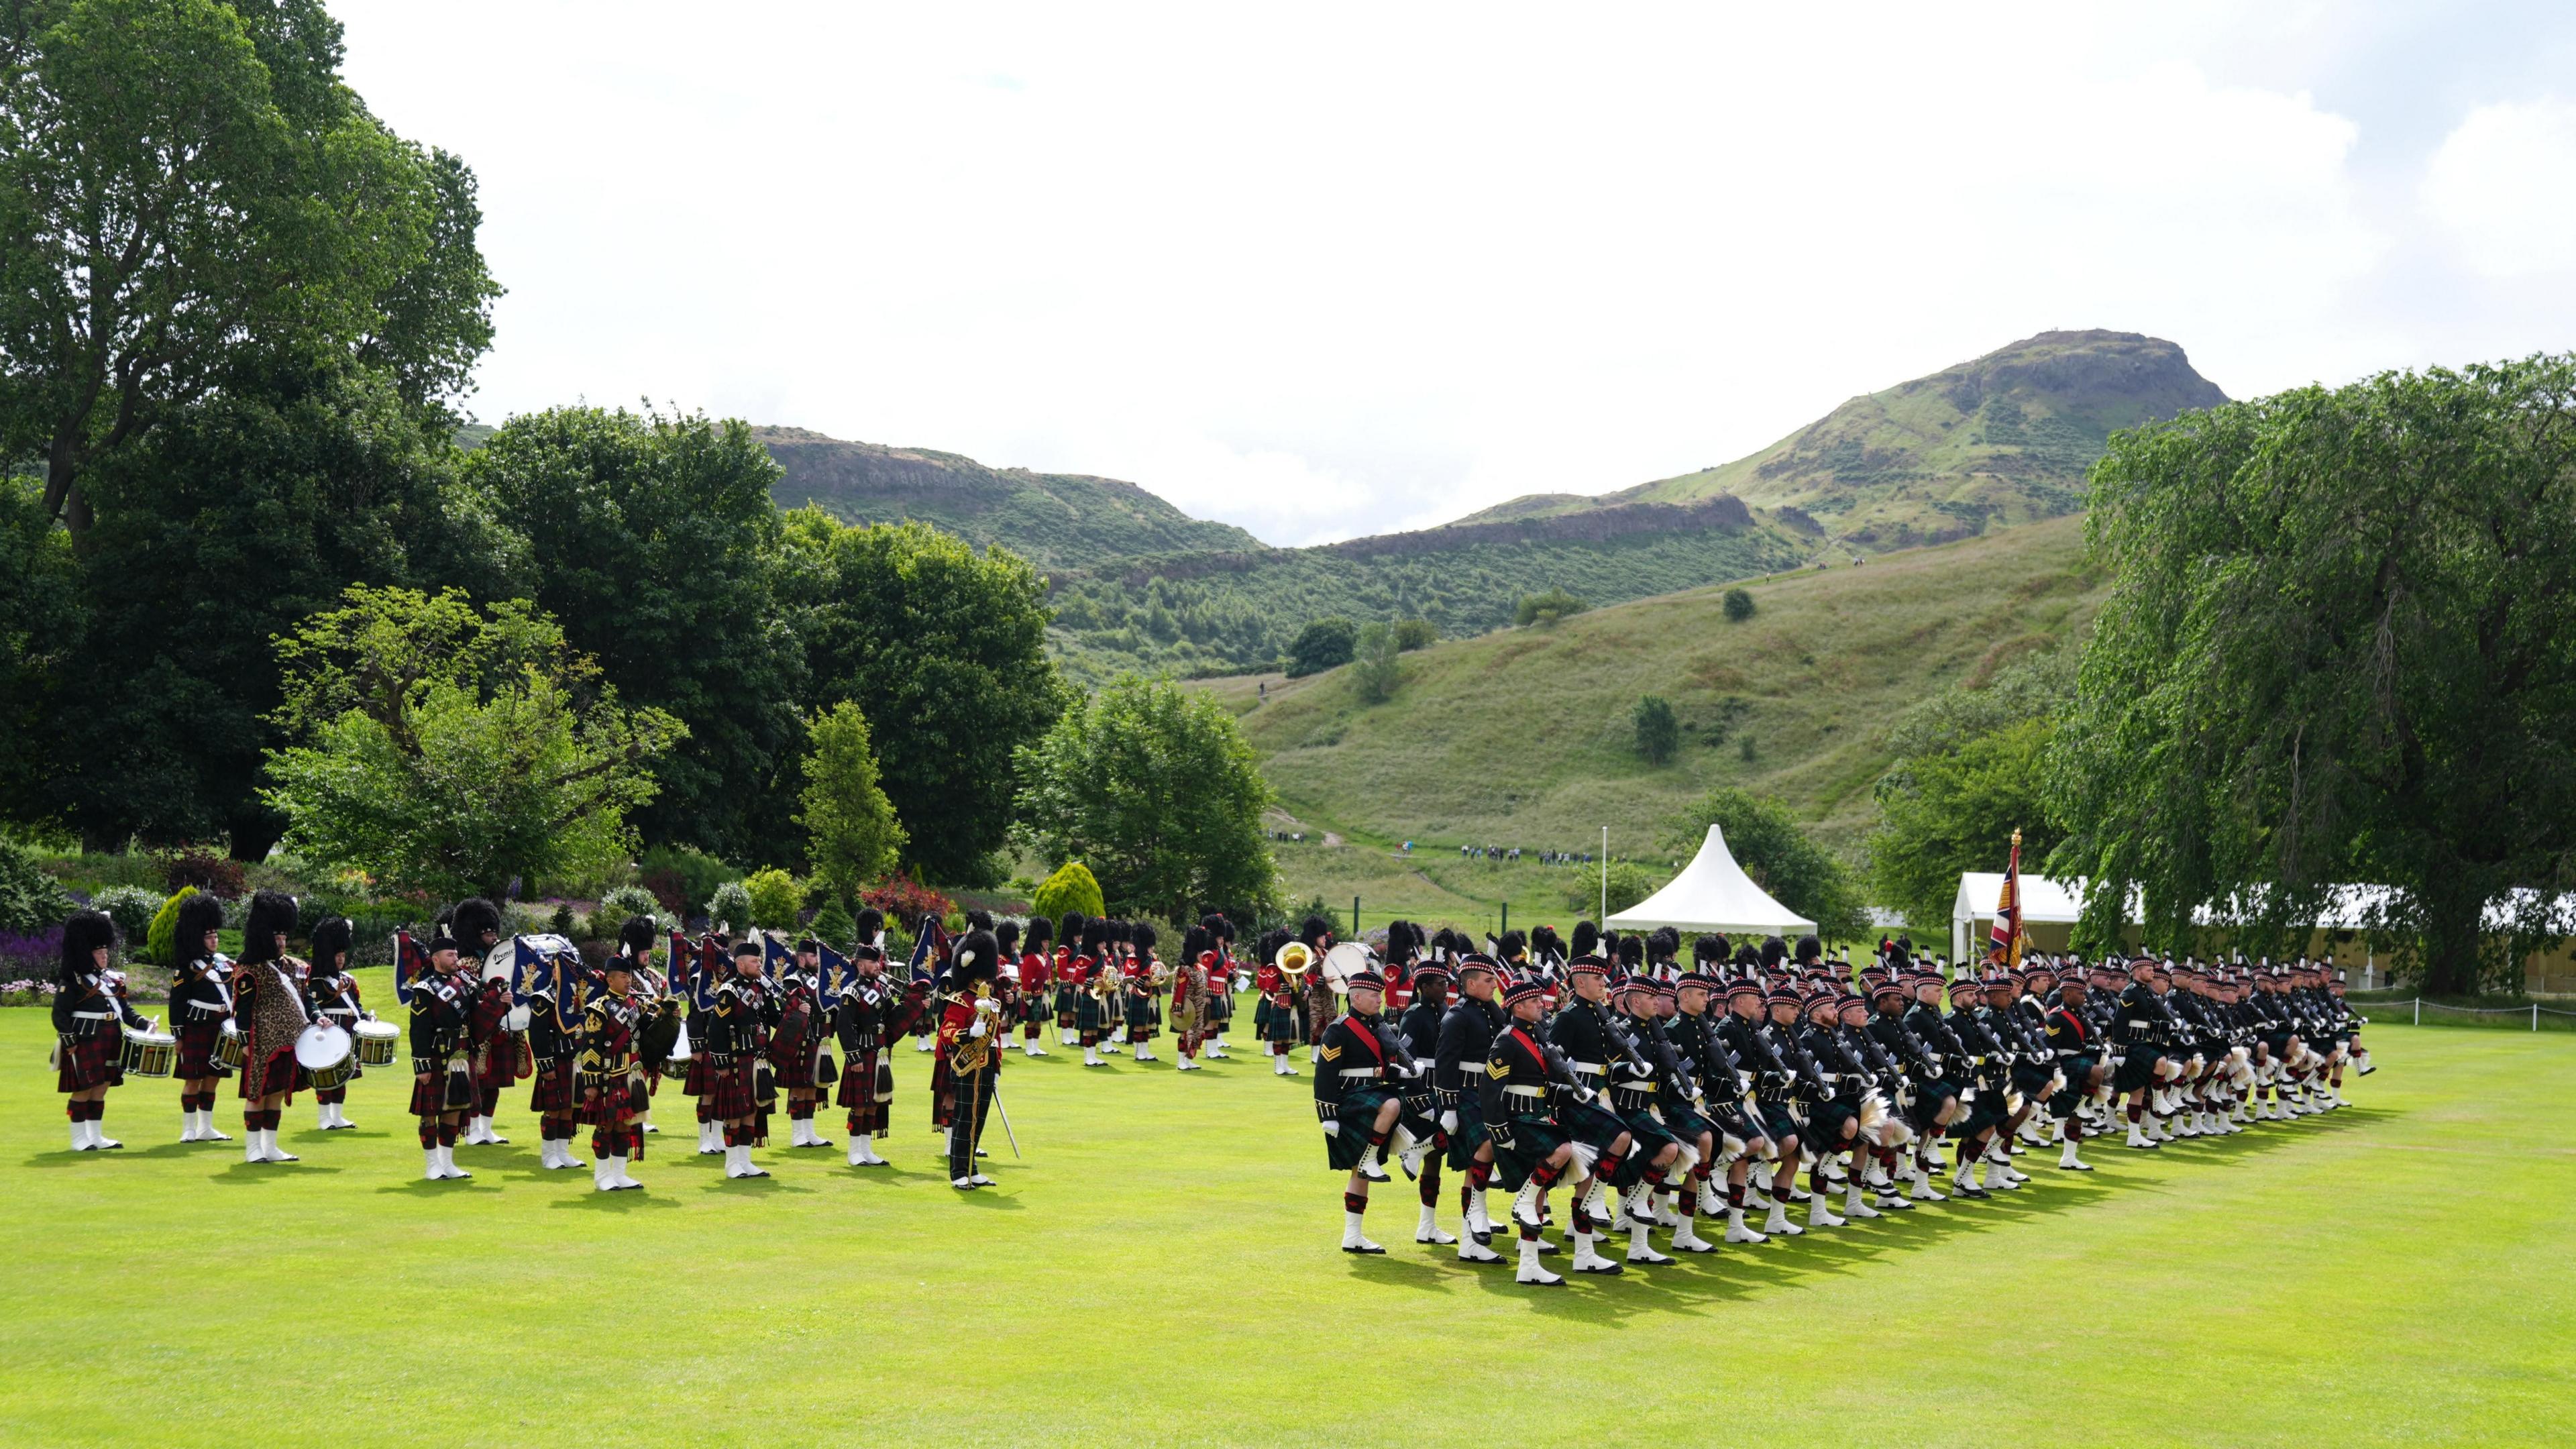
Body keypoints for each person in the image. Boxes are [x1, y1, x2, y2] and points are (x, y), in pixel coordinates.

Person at [1479, 976, 1584, 1286]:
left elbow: (1539, 1089)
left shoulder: (1536, 1036)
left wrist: (1572, 1093)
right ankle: (1522, 1200)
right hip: (1515, 1121)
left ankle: (1528, 1265)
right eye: (1536, 1001)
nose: (1542, 1005)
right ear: (1519, 1006)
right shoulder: (1507, 1040)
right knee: (1563, 1151)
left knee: (1538, 1197)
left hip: (1537, 1115)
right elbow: (1489, 1089)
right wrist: (1500, 1131)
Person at [1312, 967, 1407, 1253]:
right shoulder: (1339, 1028)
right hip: (1352, 1098)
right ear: (1356, 999)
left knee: (1358, 1172)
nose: (1380, 999)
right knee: (1393, 1104)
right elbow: (1325, 1074)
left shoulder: (1376, 1027)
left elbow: (1378, 1067)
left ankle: (1352, 1236)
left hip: (1374, 1092)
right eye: (1374, 995)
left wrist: (1401, 1073)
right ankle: (1374, 1157)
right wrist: (1327, 1115)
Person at [835, 911, 930, 1167]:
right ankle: (854, 1151)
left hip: (880, 1053)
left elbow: (893, 1019)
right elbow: (843, 1027)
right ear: (860, 964)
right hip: (862, 1053)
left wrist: (916, 1004)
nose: (878, 966)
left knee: (874, 1104)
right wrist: (852, 1056)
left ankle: (867, 1151)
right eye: (872, 963)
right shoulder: (851, 991)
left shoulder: (882, 989)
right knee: (860, 1105)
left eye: (878, 963)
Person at [52, 910, 149, 1151]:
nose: (105, 957)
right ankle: (78, 1139)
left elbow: (124, 1009)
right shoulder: (73, 981)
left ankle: (95, 1136)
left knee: (102, 1087)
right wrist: (69, 1041)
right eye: (100, 953)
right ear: (88, 954)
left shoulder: (111, 980)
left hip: (111, 1036)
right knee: (83, 1088)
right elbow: (59, 1014)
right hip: (86, 1038)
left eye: (106, 953)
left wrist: (144, 1024)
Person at [232, 890, 309, 1165]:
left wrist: (319, 1016)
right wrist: (244, 1041)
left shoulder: (295, 968)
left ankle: (271, 1147)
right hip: (261, 1040)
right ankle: (253, 1149)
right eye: (276, 938)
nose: (281, 942)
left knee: (277, 1094)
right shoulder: (251, 970)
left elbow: (306, 999)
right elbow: (243, 1008)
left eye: (284, 937)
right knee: (258, 1093)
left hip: (290, 1040)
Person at [700, 940, 775, 1178]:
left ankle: (746, 1161)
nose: (759, 964)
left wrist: (795, 1009)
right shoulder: (729, 991)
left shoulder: (762, 988)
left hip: (758, 1059)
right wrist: (721, 1063)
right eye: (754, 961)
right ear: (741, 964)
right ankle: (732, 1164)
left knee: (751, 1110)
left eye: (759, 960)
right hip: (736, 1060)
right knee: (735, 1113)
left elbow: (773, 1017)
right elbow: (716, 1029)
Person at [937, 930, 1006, 1189]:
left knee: (979, 1121)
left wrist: (997, 1067)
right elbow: (946, 1033)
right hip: (966, 1067)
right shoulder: (961, 1000)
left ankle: (971, 1168)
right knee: (965, 1120)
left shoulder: (991, 1002)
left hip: (986, 1068)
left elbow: (996, 1039)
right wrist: (968, 1033)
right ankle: (958, 1172)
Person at [408, 923, 477, 1181]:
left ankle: (447, 1164)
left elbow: (477, 1019)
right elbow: (418, 1029)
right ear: (436, 959)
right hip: (436, 1056)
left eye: (456, 955)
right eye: (450, 955)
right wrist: (422, 1066)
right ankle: (431, 1166)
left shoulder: (465, 985)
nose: (455, 958)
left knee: (454, 1110)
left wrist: (497, 1001)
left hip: (459, 1056)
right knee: (430, 1113)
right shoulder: (425, 989)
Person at [578, 950, 649, 1191]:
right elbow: (590, 1048)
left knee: (625, 1125)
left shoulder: (636, 1004)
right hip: (609, 1076)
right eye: (622, 976)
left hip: (631, 1074)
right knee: (606, 1125)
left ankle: (619, 1175)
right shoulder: (598, 1008)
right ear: (610, 980)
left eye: (629, 976)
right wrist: (591, 1082)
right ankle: (602, 1176)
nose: (628, 980)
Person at [168, 892, 234, 1142]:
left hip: (221, 1027)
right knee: (192, 1079)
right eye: (209, 937)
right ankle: (188, 1129)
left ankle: (206, 1128)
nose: (214, 940)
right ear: (199, 939)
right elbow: (176, 1003)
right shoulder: (186, 968)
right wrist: (178, 1035)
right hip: (196, 1026)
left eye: (216, 936)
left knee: (213, 1078)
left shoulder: (225, 964)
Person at [451, 898, 516, 1148]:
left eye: (494, 933)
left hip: (499, 1027)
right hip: (478, 1030)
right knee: (478, 1084)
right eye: (488, 934)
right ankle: (472, 1131)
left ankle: (487, 1129)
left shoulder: (498, 961)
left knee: (495, 1084)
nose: (493, 938)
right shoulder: (466, 965)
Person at [523, 943, 586, 1172]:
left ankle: (563, 1152)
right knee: (554, 1109)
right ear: (555, 970)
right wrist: (545, 1065)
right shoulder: (545, 998)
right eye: (561, 967)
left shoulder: (579, 998)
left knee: (570, 1107)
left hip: (574, 1060)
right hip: (555, 1060)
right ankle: (549, 1155)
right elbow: (537, 1035)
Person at [305, 917, 366, 1131]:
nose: (340, 960)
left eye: (342, 955)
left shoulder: (348, 980)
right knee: (325, 1075)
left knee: (343, 1075)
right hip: (329, 1031)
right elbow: (313, 1006)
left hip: (347, 1030)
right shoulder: (318, 982)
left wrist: (366, 1017)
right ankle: (324, 1118)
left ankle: (337, 1117)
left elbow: (357, 1006)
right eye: (337, 956)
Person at [773, 935, 834, 1148]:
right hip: (800, 1040)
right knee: (798, 1087)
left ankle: (809, 1133)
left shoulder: (824, 980)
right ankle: (797, 1135)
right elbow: (787, 1006)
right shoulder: (793, 980)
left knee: (812, 1088)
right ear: (800, 959)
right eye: (812, 956)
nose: (817, 960)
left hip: (819, 1038)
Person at [1016, 916, 1053, 1057]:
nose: (1047, 944)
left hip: (1042, 994)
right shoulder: (1030, 957)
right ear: (1039, 942)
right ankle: (1029, 1047)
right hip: (1032, 993)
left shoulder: (1046, 956)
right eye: (1045, 941)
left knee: (1038, 1022)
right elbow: (1025, 978)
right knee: (1031, 1022)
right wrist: (1027, 995)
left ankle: (1036, 1046)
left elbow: (1049, 976)